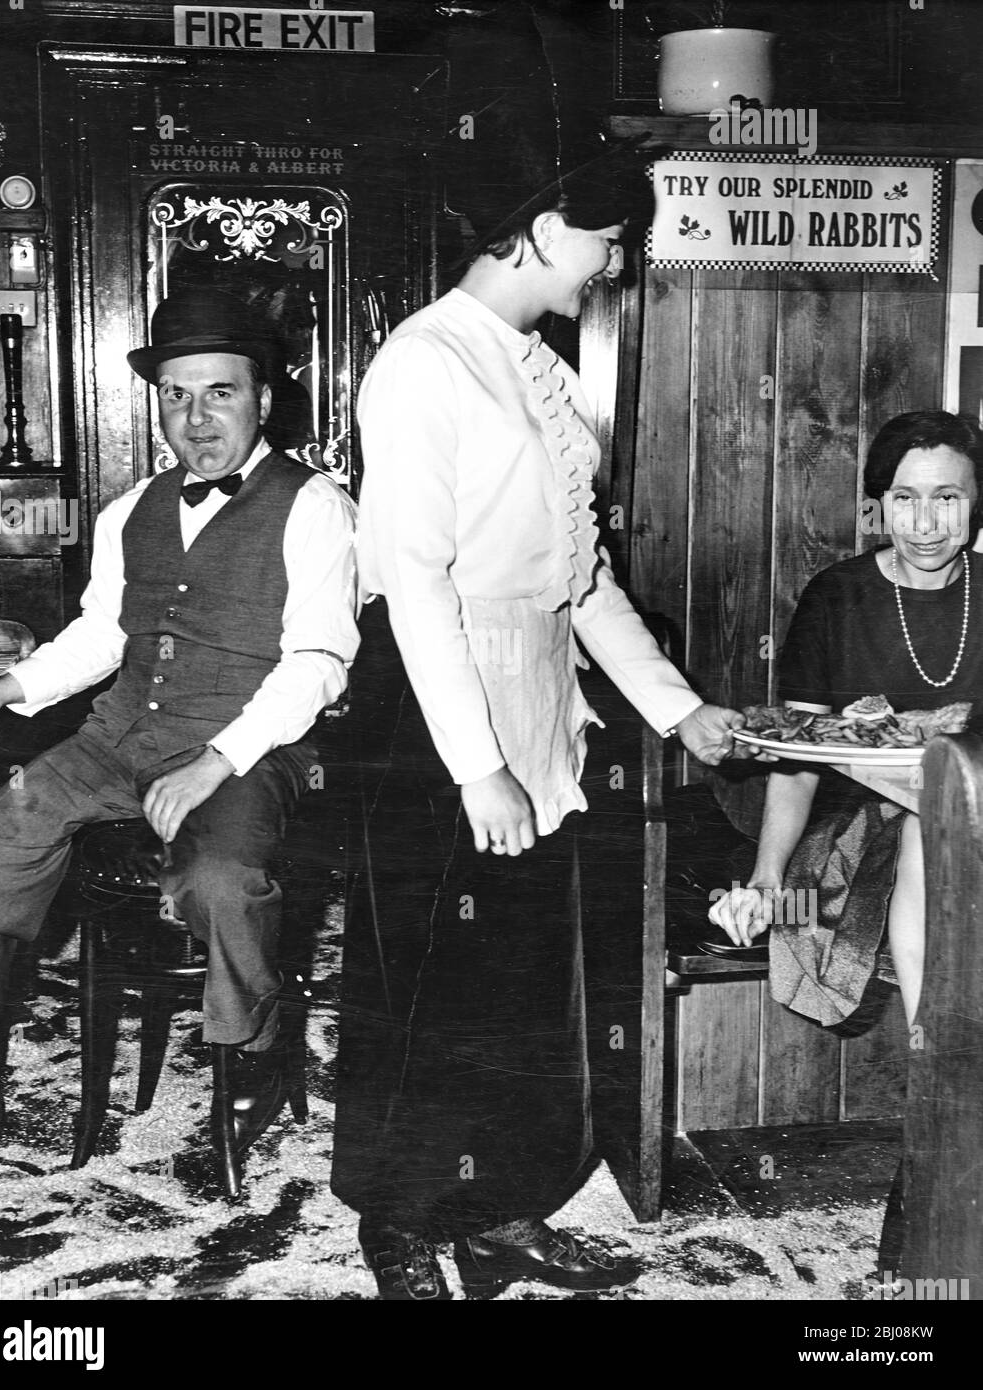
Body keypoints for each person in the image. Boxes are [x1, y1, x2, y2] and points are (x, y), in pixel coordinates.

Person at [331, 155, 756, 1301]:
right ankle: (403, 1226)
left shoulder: (543, 371)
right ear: (545, 227)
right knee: (423, 983)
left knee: (521, 983)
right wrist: (478, 767)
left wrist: (679, 707)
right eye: (609, 239)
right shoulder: (422, 364)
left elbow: (582, 580)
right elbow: (414, 585)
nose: (617, 260)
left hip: (537, 704)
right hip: (432, 712)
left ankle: (498, 1210)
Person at [0, 288, 359, 1157]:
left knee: (219, 881)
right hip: (116, 739)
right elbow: (102, 635)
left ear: (262, 399)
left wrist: (218, 758)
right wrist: (5, 688)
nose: (197, 417)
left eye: (220, 392)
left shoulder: (316, 506)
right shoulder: (128, 508)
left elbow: (319, 663)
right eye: (177, 395)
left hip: (249, 743)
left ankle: (256, 1052)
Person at [709, 410, 983, 1030]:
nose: (925, 524)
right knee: (924, 823)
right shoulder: (837, 595)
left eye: (948, 498)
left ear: (977, 502)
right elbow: (798, 755)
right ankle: (935, 1053)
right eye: (904, 498)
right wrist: (767, 878)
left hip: (978, 819)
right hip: (859, 831)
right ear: (881, 506)